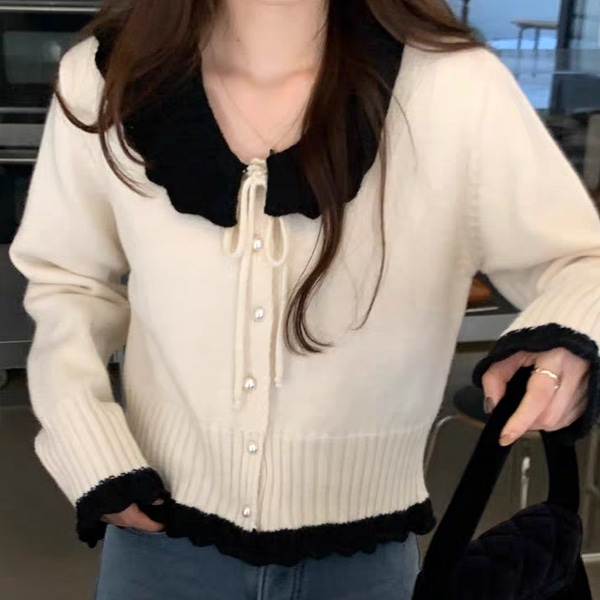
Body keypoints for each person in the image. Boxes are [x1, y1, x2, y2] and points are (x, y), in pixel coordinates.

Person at [9, 0, 600, 598]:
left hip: (365, 558)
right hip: (154, 540)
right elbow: (67, 282)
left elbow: (582, 261)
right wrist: (87, 445)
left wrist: (570, 340)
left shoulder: (454, 85)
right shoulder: (104, 77)